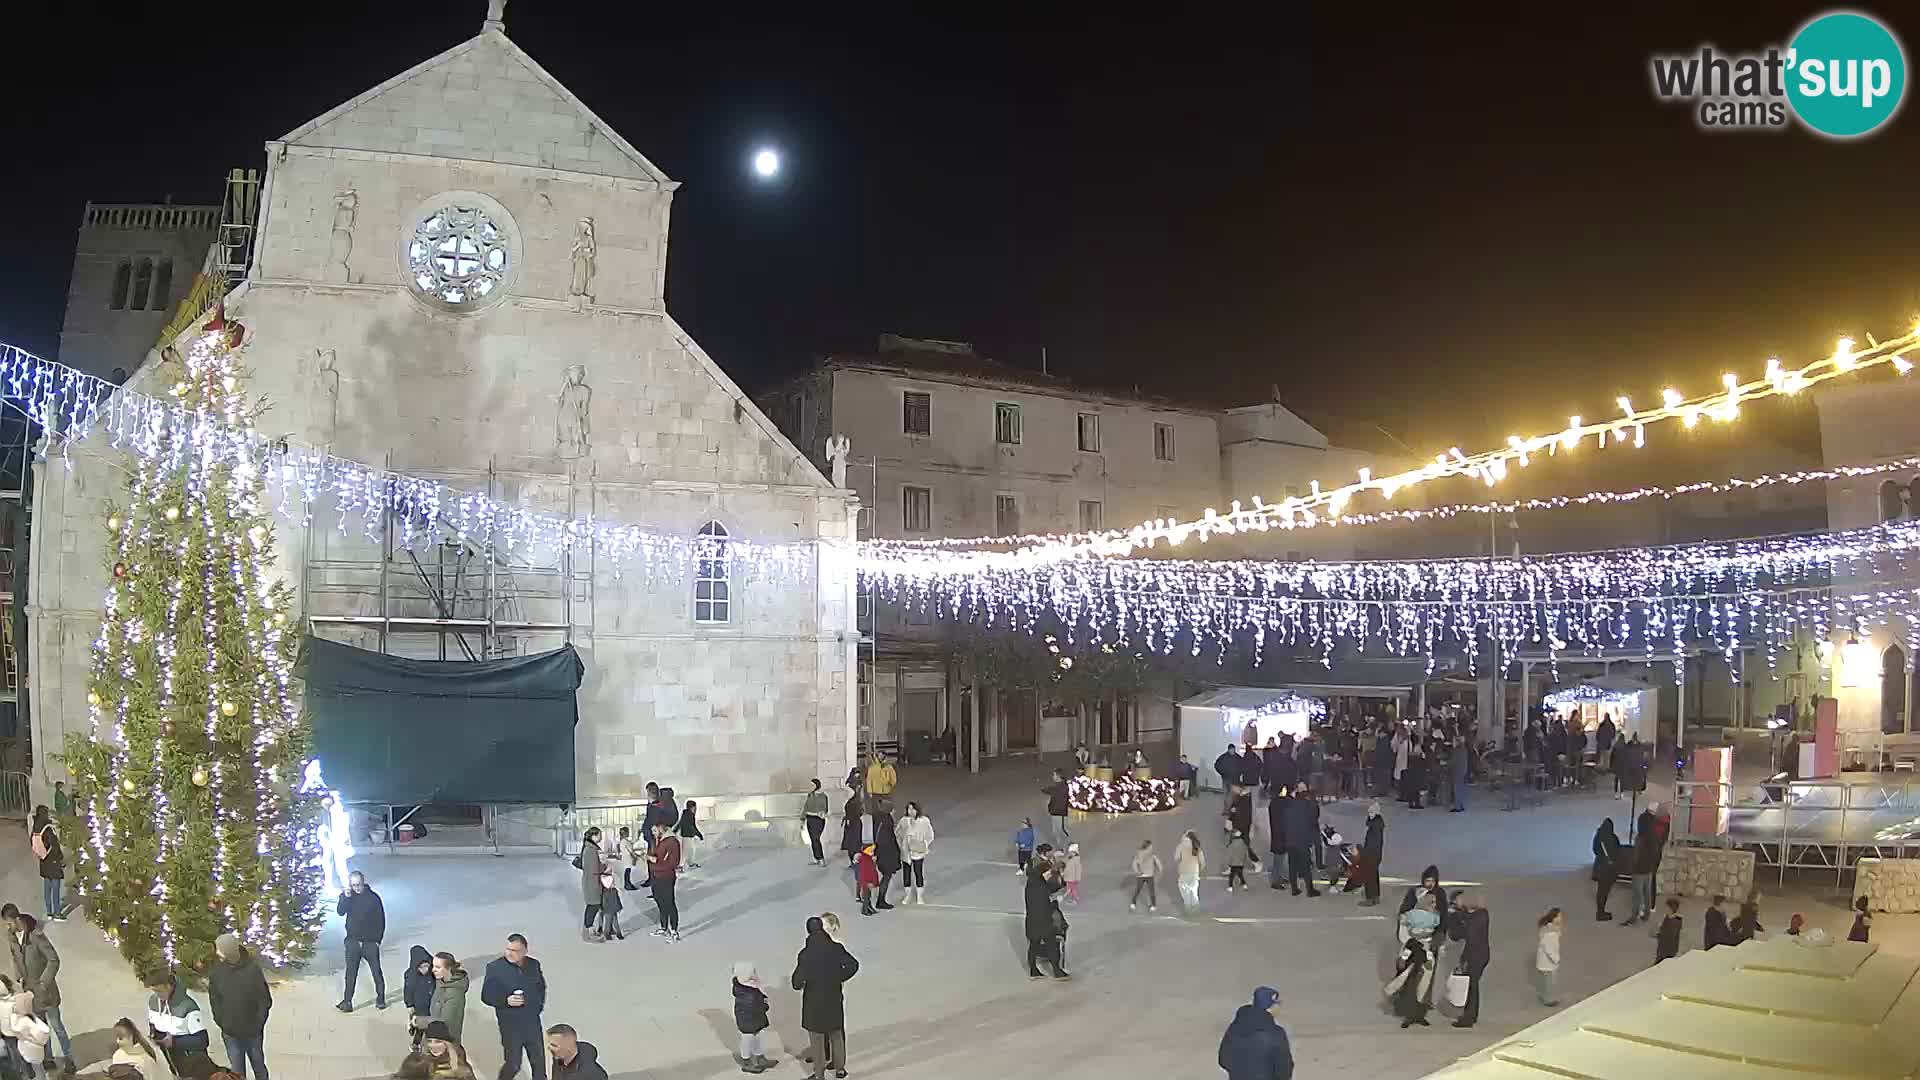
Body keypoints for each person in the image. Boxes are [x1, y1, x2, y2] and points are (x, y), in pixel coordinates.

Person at [791, 916, 858, 1080]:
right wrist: (839, 977)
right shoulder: (836, 948)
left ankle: (819, 1074)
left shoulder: (805, 954)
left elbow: (796, 982)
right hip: (833, 997)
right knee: (836, 1033)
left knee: (817, 1039)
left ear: (808, 931)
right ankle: (840, 1069)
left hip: (813, 1002)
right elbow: (853, 965)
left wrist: (804, 983)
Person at [481, 934, 547, 1080]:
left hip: (532, 1023)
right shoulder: (495, 968)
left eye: (515, 950)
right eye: (508, 949)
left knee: (539, 1065)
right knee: (513, 1064)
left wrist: (538, 1007)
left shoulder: (533, 965)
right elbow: (486, 996)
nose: (510, 953)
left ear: (525, 951)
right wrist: (506, 1000)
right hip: (511, 1026)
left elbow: (541, 988)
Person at [208, 932, 272, 1079]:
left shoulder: (252, 970)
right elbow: (214, 999)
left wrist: (258, 1023)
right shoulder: (217, 972)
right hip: (230, 1033)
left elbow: (264, 1000)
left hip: (253, 1033)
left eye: (219, 949)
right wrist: (221, 1021)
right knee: (237, 1071)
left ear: (227, 951)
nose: (217, 952)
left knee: (258, 1065)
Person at [14, 913, 69, 1073]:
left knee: (57, 1027)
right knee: (42, 1028)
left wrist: (44, 983)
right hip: (32, 994)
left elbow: (54, 960)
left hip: (47, 994)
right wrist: (20, 978)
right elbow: (17, 960)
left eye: (10, 923)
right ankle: (48, 1058)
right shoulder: (15, 939)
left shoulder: (37, 938)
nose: (8, 926)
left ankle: (69, 1058)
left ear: (19, 921)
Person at [336, 871, 388, 1012]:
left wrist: (377, 941)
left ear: (363, 882)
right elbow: (340, 911)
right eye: (353, 885)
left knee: (376, 972)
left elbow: (381, 920)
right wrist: (345, 898)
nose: (356, 888)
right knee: (350, 974)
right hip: (352, 942)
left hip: (370, 943)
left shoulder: (373, 898)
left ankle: (381, 998)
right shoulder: (348, 896)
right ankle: (347, 1001)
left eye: (358, 884)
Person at [1216, 986, 1293, 1080]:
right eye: (1277, 1003)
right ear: (1271, 1006)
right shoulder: (1276, 1034)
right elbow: (1284, 1070)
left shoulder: (1235, 1028)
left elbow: (1223, 1060)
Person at [145, 970, 212, 1078]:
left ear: (169, 986)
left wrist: (174, 1042)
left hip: (191, 1065)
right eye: (154, 991)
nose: (157, 995)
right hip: (170, 1063)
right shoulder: (153, 1001)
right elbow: (152, 1024)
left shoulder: (188, 1006)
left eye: (159, 991)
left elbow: (202, 1040)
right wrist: (153, 1036)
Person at [1023, 851, 1069, 979]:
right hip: (1044, 920)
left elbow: (1049, 888)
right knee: (1051, 944)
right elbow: (1048, 894)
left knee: (1033, 945)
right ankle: (1057, 971)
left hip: (1032, 921)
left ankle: (1033, 970)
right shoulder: (1040, 885)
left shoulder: (1031, 884)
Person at [1448, 892, 1491, 1029]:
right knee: (1472, 985)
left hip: (1476, 955)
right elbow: (1456, 935)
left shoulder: (1481, 915)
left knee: (1472, 986)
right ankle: (1471, 1015)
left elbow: (1468, 932)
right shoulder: (1475, 915)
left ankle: (1469, 1017)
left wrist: (1458, 913)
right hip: (1476, 954)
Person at [1625, 802, 1666, 926]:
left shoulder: (1640, 839)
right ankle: (1646, 914)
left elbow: (1635, 856)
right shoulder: (1656, 837)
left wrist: (1632, 867)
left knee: (1637, 894)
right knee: (1647, 892)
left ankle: (1634, 917)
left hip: (1639, 869)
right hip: (1649, 868)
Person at [731, 961, 775, 1074]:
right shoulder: (745, 991)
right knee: (748, 1037)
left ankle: (759, 1057)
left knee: (758, 1036)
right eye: (752, 973)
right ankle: (746, 1060)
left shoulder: (750, 985)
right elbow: (755, 1005)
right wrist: (764, 1006)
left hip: (755, 1017)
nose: (754, 975)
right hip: (748, 1019)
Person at [645, 823, 683, 940]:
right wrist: (648, 858)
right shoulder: (657, 841)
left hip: (666, 876)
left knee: (669, 902)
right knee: (659, 901)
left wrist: (655, 863)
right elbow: (656, 856)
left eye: (654, 830)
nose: (653, 833)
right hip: (655, 876)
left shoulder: (672, 841)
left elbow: (673, 862)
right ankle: (664, 927)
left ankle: (674, 929)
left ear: (661, 829)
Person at [1387, 934, 1434, 1029]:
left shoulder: (1428, 944)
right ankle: (1410, 1015)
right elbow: (1407, 952)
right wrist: (1403, 959)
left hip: (1424, 960)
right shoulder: (1412, 943)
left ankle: (1419, 1015)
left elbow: (1429, 955)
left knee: (1423, 989)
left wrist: (1429, 959)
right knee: (1410, 989)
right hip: (1413, 964)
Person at [1282, 786, 1319, 897]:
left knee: (1292, 866)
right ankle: (1310, 890)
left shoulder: (1288, 805)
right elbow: (1313, 821)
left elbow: (1284, 823)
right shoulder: (1308, 806)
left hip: (1290, 841)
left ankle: (1294, 889)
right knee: (1306, 866)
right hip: (1303, 841)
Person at [1346, 801, 1385, 905]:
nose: (1370, 814)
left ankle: (1370, 899)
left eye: (1372, 812)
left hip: (1371, 855)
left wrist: (1362, 851)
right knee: (1373, 875)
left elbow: (1372, 844)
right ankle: (1376, 897)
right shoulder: (1377, 825)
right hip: (1375, 855)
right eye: (1369, 812)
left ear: (1376, 813)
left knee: (1369, 877)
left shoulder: (1375, 827)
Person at [896, 801, 934, 904]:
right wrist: (901, 845)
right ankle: (907, 895)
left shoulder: (924, 821)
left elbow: (930, 834)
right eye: (909, 809)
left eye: (913, 809)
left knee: (918, 873)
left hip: (918, 852)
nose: (911, 811)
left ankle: (919, 896)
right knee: (906, 874)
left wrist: (924, 844)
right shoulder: (904, 821)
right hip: (906, 852)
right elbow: (897, 833)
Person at [7, 992, 50, 1080]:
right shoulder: (30, 1019)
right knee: (38, 1068)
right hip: (34, 1049)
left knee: (36, 1069)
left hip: (29, 1049)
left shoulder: (22, 1020)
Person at [28, 809, 62, 922]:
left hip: (43, 862)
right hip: (53, 862)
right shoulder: (48, 829)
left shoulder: (36, 828)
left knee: (47, 888)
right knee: (55, 889)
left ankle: (49, 912)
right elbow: (55, 846)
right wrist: (60, 858)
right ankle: (57, 913)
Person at [429, 953, 469, 1044]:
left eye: (438, 967)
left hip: (445, 1042)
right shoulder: (441, 982)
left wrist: (420, 1021)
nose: (433, 970)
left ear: (449, 969)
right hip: (435, 1038)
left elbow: (445, 1023)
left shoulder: (454, 993)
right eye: (433, 966)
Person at [870, 803, 901, 910]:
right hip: (887, 854)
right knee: (887, 876)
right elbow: (889, 840)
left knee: (885, 876)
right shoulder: (886, 820)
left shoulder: (878, 818)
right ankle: (881, 900)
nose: (894, 812)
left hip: (880, 852)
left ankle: (878, 900)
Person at [577, 828, 605, 943]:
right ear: (593, 836)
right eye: (599, 835)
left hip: (590, 881)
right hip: (592, 883)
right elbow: (595, 869)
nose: (601, 837)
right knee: (593, 906)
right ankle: (587, 933)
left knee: (593, 905)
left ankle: (589, 930)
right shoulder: (591, 850)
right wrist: (604, 867)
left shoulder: (589, 848)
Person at [1592, 818, 1622, 922]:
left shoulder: (1598, 837)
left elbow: (1595, 850)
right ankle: (1601, 913)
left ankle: (1600, 911)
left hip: (1600, 868)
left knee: (1601, 891)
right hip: (1609, 870)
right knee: (1604, 892)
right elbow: (1618, 851)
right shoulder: (1613, 838)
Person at [1265, 785, 1292, 890]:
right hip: (1280, 835)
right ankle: (1275, 881)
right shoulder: (1280, 803)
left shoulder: (1274, 803)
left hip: (1278, 835)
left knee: (1279, 859)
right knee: (1278, 860)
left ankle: (1280, 877)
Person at [1535, 908, 1563, 1007]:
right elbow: (1549, 949)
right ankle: (1548, 1000)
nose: (1561, 918)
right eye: (1559, 916)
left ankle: (1549, 998)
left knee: (1549, 981)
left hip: (1547, 961)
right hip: (1548, 962)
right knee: (1549, 982)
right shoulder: (1549, 933)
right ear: (1554, 918)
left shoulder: (1550, 929)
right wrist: (1556, 959)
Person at [1176, 830, 1206, 913]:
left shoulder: (1181, 846)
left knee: (1185, 891)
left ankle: (1188, 908)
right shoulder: (1197, 847)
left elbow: (1176, 858)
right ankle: (1195, 909)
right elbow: (1203, 863)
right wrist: (1199, 870)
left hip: (1184, 872)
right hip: (1194, 872)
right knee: (1194, 890)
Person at [803, 780, 831, 866]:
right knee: (812, 839)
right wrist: (802, 819)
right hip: (809, 819)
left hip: (818, 820)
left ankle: (821, 858)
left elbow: (824, 810)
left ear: (817, 785)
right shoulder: (810, 795)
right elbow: (805, 808)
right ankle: (816, 858)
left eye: (812, 785)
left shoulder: (823, 796)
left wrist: (820, 813)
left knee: (816, 839)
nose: (810, 787)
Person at [1130, 839, 1161, 912]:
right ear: (1148, 846)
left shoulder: (1141, 854)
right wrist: (1160, 869)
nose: (1152, 847)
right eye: (1151, 846)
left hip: (1143, 875)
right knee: (1150, 891)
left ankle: (1133, 903)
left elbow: (1134, 864)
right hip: (1147, 875)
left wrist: (1137, 872)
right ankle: (1153, 905)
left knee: (1139, 890)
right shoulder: (1149, 855)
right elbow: (1158, 863)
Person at [1042, 769, 1071, 842]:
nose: (1053, 776)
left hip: (1058, 812)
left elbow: (1046, 790)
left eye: (1054, 775)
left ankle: (1066, 844)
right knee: (1057, 830)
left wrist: (1043, 789)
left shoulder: (1057, 788)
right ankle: (1061, 844)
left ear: (1058, 777)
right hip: (1057, 811)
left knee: (1059, 830)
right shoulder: (1063, 786)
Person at [675, 800, 704, 870]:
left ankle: (688, 864)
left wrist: (675, 830)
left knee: (688, 851)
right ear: (692, 807)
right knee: (687, 851)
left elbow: (680, 823)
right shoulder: (689, 815)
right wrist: (699, 834)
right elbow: (692, 826)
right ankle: (682, 865)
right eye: (695, 807)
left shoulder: (686, 814)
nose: (695, 809)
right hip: (688, 835)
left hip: (687, 835)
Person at [839, 792, 864, 869]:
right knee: (852, 844)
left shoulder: (855, 801)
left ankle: (856, 862)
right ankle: (854, 862)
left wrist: (849, 818)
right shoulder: (854, 800)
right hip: (852, 823)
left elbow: (859, 812)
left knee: (854, 844)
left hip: (853, 824)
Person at [854, 844, 880, 917]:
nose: (872, 852)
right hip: (867, 882)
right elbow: (867, 873)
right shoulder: (866, 860)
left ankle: (869, 908)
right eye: (871, 851)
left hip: (867, 881)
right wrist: (870, 882)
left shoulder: (867, 858)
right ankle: (865, 910)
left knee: (868, 896)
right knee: (866, 896)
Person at [597, 870, 623, 941]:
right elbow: (616, 899)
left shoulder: (608, 891)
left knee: (613, 921)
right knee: (611, 921)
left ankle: (616, 933)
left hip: (610, 908)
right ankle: (610, 933)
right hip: (609, 908)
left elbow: (616, 899)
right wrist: (619, 907)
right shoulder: (609, 891)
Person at [1655, 897, 1683, 963]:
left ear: (1671, 909)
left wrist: (1659, 933)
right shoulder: (1668, 917)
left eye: (1666, 907)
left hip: (1667, 950)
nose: (1664, 909)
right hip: (1664, 948)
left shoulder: (1674, 922)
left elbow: (1670, 937)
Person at [1449, 734, 1470, 812]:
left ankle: (1458, 807)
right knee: (1460, 789)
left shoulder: (1456, 750)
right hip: (1463, 771)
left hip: (1457, 771)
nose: (1453, 742)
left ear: (1457, 742)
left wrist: (1445, 763)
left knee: (1457, 789)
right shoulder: (1464, 749)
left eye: (1454, 741)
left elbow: (1453, 761)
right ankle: (1460, 805)